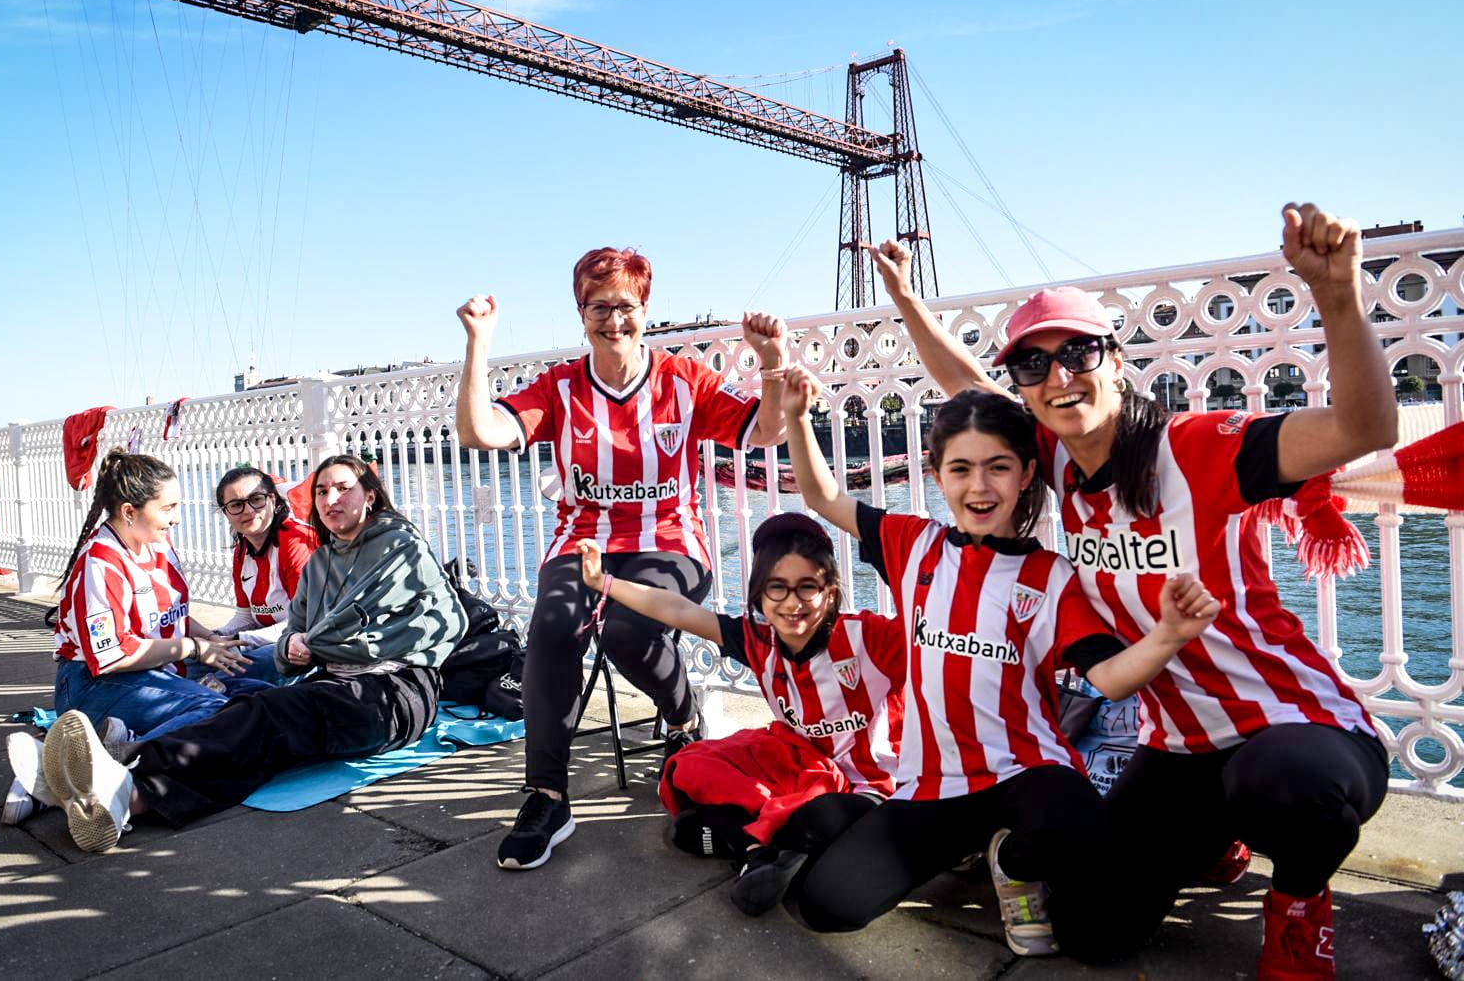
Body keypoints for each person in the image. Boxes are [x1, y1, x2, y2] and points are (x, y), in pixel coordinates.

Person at [866, 203, 1393, 976]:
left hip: (1294, 729)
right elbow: (964, 385)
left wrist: (1339, 296)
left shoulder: (1199, 450)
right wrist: (908, 300)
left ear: (1116, 360)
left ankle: (1300, 902)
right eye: (1034, 366)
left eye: (1078, 354)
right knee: (1090, 930)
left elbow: (1363, 429)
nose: (1057, 378)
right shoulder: (1050, 461)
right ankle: (1216, 841)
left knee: (1284, 788)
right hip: (1178, 750)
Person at [779, 377, 1223, 958]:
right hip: (934, 784)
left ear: (1026, 475)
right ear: (938, 477)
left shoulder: (1051, 576)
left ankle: (1014, 860)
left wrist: (1167, 637)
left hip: (1027, 772)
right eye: (960, 469)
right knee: (826, 907)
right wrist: (796, 415)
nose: (980, 486)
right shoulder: (911, 544)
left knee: (1102, 927)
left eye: (998, 467)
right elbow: (821, 496)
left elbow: (1108, 677)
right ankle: (948, 843)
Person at [455, 246, 791, 871]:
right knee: (553, 628)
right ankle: (547, 797)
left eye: (625, 306)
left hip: (670, 542)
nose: (613, 320)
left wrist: (772, 363)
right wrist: (478, 341)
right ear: (580, 314)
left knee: (627, 629)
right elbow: (481, 433)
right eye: (598, 307)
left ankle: (685, 718)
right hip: (581, 543)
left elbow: (764, 433)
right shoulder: (559, 387)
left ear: (646, 310)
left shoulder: (683, 380)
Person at [38, 453, 468, 853]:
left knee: (258, 714)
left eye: (343, 488)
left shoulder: (398, 543)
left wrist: (303, 645)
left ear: (369, 494)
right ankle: (128, 800)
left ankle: (111, 764)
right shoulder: (320, 564)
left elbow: (429, 622)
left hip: (390, 688)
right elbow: (289, 639)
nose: (330, 499)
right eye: (320, 491)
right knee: (263, 736)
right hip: (322, 682)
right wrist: (289, 648)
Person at [576, 512, 904, 916]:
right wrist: (603, 583)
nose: (791, 604)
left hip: (870, 782)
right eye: (777, 589)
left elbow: (934, 624)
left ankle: (739, 840)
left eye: (807, 588)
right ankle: (758, 853)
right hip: (797, 763)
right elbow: (676, 610)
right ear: (759, 596)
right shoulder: (757, 640)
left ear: (830, 593)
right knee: (687, 766)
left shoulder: (870, 637)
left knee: (821, 816)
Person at [1, 450, 250, 824]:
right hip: (96, 683)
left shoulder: (158, 543)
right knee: (213, 710)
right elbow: (113, 656)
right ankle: (111, 766)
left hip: (158, 671)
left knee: (254, 692)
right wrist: (195, 649)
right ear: (130, 512)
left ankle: (74, 764)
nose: (178, 518)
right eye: (168, 508)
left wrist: (212, 640)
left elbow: (175, 614)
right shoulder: (100, 562)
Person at [209, 465, 319, 685]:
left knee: (226, 675)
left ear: (273, 500)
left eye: (256, 499)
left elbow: (307, 622)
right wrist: (215, 635)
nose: (249, 511)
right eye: (236, 505)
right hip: (269, 638)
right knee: (195, 661)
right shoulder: (242, 549)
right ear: (225, 512)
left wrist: (238, 640)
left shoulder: (296, 542)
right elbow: (247, 616)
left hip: (305, 643)